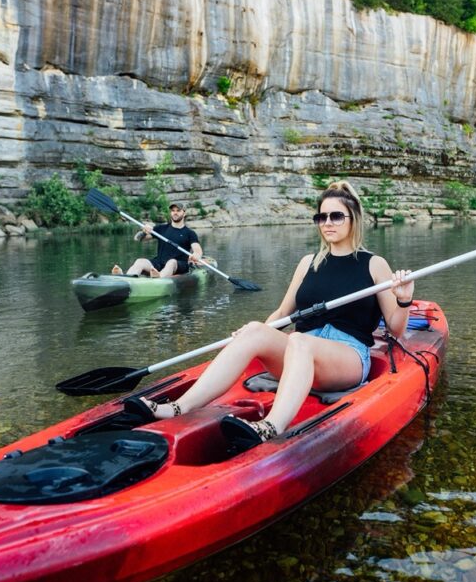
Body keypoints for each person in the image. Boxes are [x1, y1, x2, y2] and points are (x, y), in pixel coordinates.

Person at [129, 181, 415, 451]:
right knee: (256, 329)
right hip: (299, 350)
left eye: (336, 216)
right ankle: (179, 407)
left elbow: (395, 328)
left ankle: (271, 426)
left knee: (300, 341)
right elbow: (282, 313)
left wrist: (404, 299)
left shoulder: (375, 264)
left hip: (347, 356)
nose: (327, 223)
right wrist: (254, 337)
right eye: (322, 217)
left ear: (353, 219)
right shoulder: (308, 262)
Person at [112, 202, 203, 278]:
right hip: (159, 263)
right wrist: (144, 232)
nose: (175, 213)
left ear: (184, 213)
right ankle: (127, 278)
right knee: (140, 261)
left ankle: (159, 278)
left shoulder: (189, 233)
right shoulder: (161, 229)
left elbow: (197, 250)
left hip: (179, 265)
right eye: (173, 210)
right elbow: (137, 238)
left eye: (178, 211)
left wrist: (196, 255)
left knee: (171, 262)